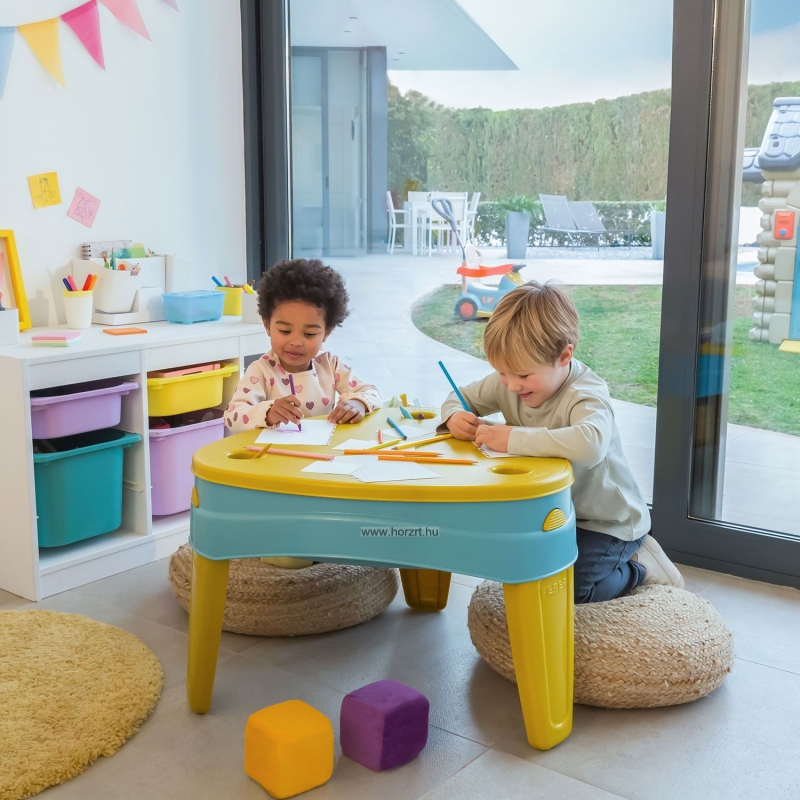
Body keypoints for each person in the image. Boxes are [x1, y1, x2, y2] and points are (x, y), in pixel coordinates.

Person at [441, 281, 683, 603]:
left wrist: (511, 438)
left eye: (522, 375)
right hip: (553, 511)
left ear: (564, 355)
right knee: (526, 569)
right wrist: (455, 415)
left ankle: (640, 566)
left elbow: (589, 446)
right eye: (501, 373)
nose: (511, 385)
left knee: (572, 590)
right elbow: (460, 397)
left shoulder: (587, 393)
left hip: (608, 522)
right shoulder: (512, 377)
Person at [224, 259, 380, 434]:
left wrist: (358, 403)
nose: (296, 342)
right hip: (273, 451)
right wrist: (268, 412)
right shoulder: (261, 371)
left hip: (320, 448)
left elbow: (371, 392)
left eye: (309, 334)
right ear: (267, 325)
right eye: (285, 331)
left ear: (326, 332)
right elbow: (233, 417)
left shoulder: (330, 365)